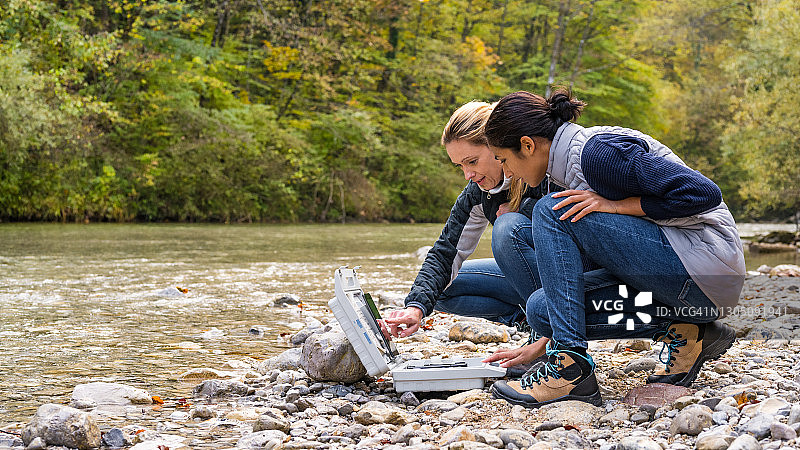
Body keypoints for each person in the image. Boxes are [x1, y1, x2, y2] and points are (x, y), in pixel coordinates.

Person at [483, 89, 745, 408]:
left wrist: (615, 206)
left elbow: (704, 193)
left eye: (504, 160)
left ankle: (570, 369)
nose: (507, 173)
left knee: (551, 211)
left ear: (527, 145)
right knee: (542, 308)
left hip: (707, 267)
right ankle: (692, 333)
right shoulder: (559, 171)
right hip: (679, 283)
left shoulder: (598, 154)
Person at [382, 101, 553, 363]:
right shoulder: (477, 193)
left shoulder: (543, 168)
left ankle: (549, 335)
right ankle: (528, 320)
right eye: (460, 165)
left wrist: (525, 211)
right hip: (528, 280)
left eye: (472, 161)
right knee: (440, 289)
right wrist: (415, 308)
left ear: (497, 146)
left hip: (570, 281)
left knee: (507, 228)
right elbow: (445, 253)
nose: (467, 174)